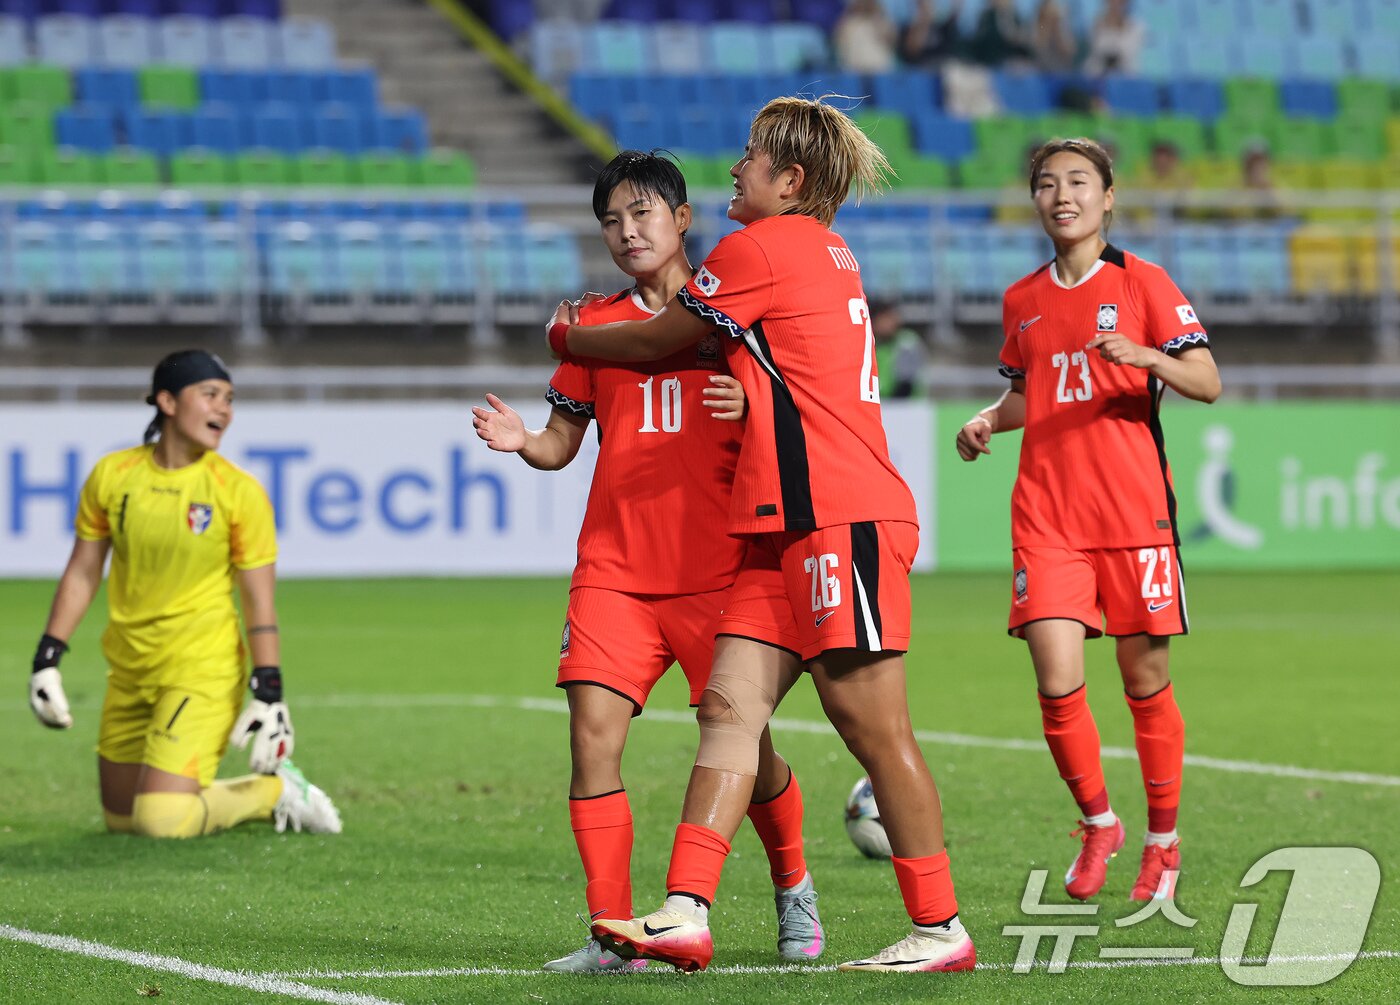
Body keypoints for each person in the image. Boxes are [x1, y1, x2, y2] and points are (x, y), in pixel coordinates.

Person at [545, 97, 977, 975]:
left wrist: (567, 332)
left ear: (793, 180)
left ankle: (941, 926)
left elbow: (665, 336)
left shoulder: (765, 246)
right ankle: (685, 910)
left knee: (871, 726)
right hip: (779, 529)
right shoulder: (813, 252)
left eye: (752, 158)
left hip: (838, 517)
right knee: (729, 711)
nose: (736, 168)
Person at [472, 151, 824, 973]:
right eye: (611, 220)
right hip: (616, 571)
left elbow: (811, 407)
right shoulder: (593, 327)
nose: (627, 232)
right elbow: (563, 444)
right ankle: (612, 931)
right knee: (592, 738)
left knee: (751, 749)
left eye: (643, 214)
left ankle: (792, 879)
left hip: (726, 571)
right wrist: (526, 440)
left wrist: (758, 400)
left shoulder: (737, 311)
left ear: (683, 220)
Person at [954, 137, 1220, 903]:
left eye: (1078, 181)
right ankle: (1099, 822)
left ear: (1108, 197)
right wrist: (984, 421)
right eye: (1046, 182)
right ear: (1034, 200)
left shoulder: (1145, 282)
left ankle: (1162, 842)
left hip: (1135, 516)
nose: (1061, 194)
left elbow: (1207, 379)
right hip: (1048, 517)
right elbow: (1027, 394)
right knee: (1056, 675)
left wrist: (1147, 355)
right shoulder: (1022, 299)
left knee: (1145, 679)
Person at [29, 350, 341, 839]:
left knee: (160, 821)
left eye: (231, 399)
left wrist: (270, 690)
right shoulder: (113, 475)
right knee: (122, 820)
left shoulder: (237, 491)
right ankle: (240, 792)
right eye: (211, 395)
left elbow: (258, 601)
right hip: (130, 666)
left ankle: (275, 792)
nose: (225, 410)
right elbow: (84, 571)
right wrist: (47, 658)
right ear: (167, 401)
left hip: (202, 668)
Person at [871, 299, 927, 399]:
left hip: (903, 406)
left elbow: (906, 383)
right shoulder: (869, 343)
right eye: (885, 318)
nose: (891, 323)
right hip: (876, 403)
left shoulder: (907, 343)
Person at [833, 0, 899, 73]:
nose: (865, 4)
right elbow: (838, 42)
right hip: (853, 71)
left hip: (881, 70)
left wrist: (877, 19)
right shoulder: (849, 24)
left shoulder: (883, 22)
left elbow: (892, 41)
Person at [1082, 0, 1145, 76]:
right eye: (1112, 1)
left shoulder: (1136, 26)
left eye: (1120, 2)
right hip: (1097, 75)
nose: (1115, 3)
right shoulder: (1095, 24)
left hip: (1126, 75)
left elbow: (1127, 52)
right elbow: (1097, 49)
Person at [1031, 0, 1078, 72]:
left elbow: (1070, 52)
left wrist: (1058, 34)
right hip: (1042, 73)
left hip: (1061, 73)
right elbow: (1038, 48)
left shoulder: (1062, 30)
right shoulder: (1039, 31)